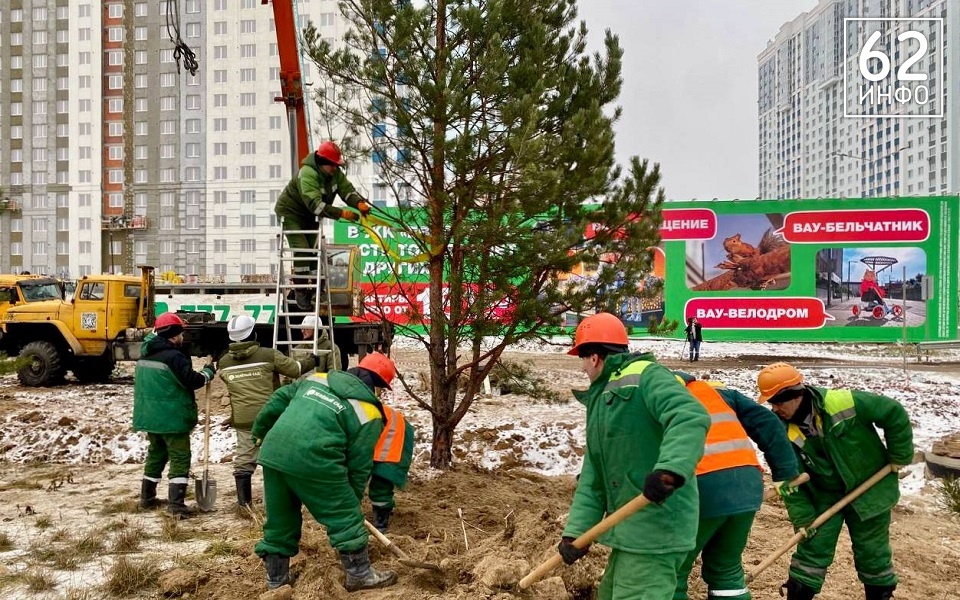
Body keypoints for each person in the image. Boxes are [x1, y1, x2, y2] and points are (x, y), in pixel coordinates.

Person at [559, 312, 711, 600]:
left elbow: (689, 416)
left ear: (593, 357)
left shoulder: (648, 376)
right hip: (629, 534)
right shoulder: (603, 401)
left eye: (581, 358)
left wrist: (669, 470)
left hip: (656, 530)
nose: (582, 369)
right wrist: (576, 534)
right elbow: (594, 476)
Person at [755, 362, 914, 600]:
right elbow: (788, 481)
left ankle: (880, 594)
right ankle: (798, 593)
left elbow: (892, 412)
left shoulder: (842, 402)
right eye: (771, 403)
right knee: (811, 550)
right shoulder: (779, 429)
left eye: (778, 401)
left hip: (869, 487)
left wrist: (900, 454)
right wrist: (804, 518)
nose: (775, 408)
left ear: (796, 395)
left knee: (873, 552)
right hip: (824, 494)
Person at [251, 355, 398, 592]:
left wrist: (259, 430)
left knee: (280, 519)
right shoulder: (369, 414)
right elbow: (359, 466)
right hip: (316, 456)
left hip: (274, 453)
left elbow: (278, 399)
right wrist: (351, 501)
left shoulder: (316, 379)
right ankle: (359, 574)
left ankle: (277, 581)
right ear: (376, 386)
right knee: (345, 515)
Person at [672, 372, 799, 600]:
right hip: (747, 484)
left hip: (702, 487)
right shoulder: (715, 391)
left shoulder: (655, 395)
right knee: (725, 568)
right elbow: (767, 421)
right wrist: (786, 472)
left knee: (670, 568)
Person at [217, 315, 316, 508]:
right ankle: (286, 499)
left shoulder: (224, 363)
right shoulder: (268, 355)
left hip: (244, 419)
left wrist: (233, 417)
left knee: (244, 459)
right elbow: (295, 370)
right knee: (281, 453)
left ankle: (244, 505)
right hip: (271, 416)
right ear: (253, 334)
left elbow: (238, 391)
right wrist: (313, 359)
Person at [132, 312, 216, 517]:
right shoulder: (174, 357)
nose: (183, 338)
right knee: (180, 457)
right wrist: (208, 372)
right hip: (171, 418)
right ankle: (176, 505)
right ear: (173, 335)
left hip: (149, 416)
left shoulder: (145, 353)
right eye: (181, 334)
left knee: (157, 454)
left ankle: (147, 498)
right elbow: (192, 381)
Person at [273, 140, 371, 310]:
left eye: (336, 165)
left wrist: (359, 203)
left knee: (315, 250)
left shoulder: (335, 174)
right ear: (322, 162)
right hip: (291, 214)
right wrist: (341, 213)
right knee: (303, 250)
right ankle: (301, 290)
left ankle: (316, 288)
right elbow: (315, 205)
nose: (335, 168)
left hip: (309, 216)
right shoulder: (308, 174)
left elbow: (347, 191)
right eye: (332, 165)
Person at [347, 352, 415, 533]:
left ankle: (381, 523)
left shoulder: (352, 382)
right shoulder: (360, 388)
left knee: (382, 480)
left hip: (395, 436)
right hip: (387, 429)